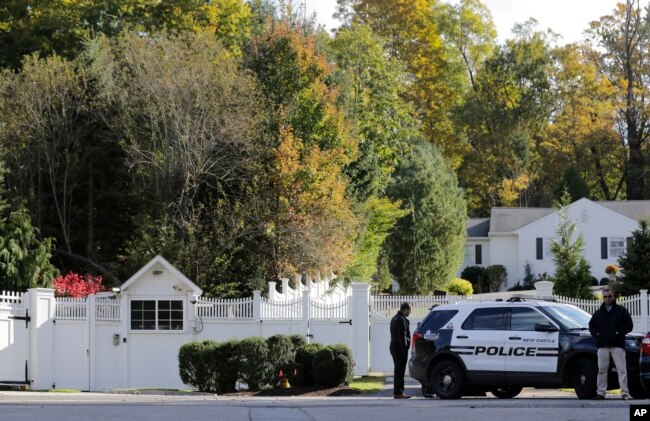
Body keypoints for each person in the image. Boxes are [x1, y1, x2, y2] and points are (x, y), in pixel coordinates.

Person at [588, 287, 634, 400]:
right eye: (605, 297)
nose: (607, 299)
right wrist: (597, 334)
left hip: (617, 345)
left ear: (613, 297)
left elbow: (629, 325)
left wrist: (619, 333)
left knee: (621, 369)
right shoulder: (598, 313)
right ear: (603, 298)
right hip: (602, 345)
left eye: (609, 296)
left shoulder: (621, 311)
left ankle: (624, 393)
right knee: (602, 370)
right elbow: (591, 326)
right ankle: (600, 393)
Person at [390, 302, 411, 399]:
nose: (410, 312)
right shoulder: (401, 319)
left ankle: (398, 392)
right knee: (400, 370)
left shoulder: (394, 318)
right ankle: (399, 392)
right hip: (399, 347)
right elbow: (402, 335)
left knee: (398, 369)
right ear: (406, 309)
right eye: (409, 310)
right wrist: (405, 348)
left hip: (394, 346)